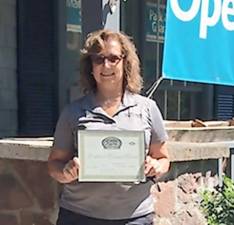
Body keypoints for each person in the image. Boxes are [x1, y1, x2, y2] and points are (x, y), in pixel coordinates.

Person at [48, 29, 170, 225]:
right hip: (79, 216)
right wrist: (65, 172)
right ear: (90, 66)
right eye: (98, 59)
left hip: (135, 217)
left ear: (125, 62)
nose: (106, 65)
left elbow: (163, 158)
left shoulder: (147, 108)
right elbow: (54, 164)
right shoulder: (73, 112)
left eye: (113, 58)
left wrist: (156, 166)